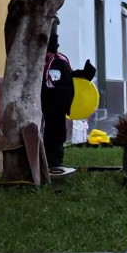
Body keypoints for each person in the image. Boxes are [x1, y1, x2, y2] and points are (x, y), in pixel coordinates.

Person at [41, 18, 95, 176]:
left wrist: (85, 74)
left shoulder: (60, 60)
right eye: (54, 40)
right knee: (51, 132)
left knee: (59, 133)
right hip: (50, 104)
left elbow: (69, 77)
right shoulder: (44, 61)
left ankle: (57, 160)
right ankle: (50, 161)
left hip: (62, 105)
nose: (57, 44)